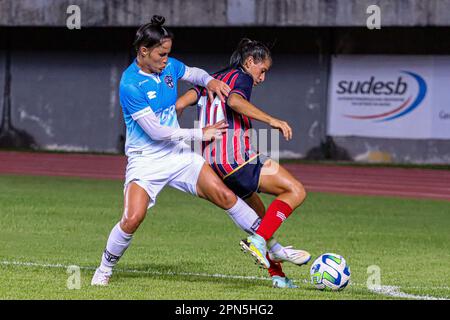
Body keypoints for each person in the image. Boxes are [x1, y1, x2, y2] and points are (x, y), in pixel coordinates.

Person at [91, 17, 302, 289]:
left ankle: (272, 246)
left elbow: (195, 73)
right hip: (146, 160)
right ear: (143, 51)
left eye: (168, 53)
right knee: (133, 217)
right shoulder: (130, 84)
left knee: (226, 196)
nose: (167, 60)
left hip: (178, 156)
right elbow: (156, 132)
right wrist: (199, 134)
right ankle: (104, 268)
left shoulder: (169, 67)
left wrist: (211, 82)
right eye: (161, 54)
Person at [176, 38, 311, 287]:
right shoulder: (241, 77)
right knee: (296, 190)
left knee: (263, 219)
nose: (262, 78)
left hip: (214, 164)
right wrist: (273, 121)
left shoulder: (212, 79)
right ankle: (259, 242)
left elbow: (180, 103)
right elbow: (235, 101)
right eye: (262, 71)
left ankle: (278, 276)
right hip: (236, 159)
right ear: (249, 62)